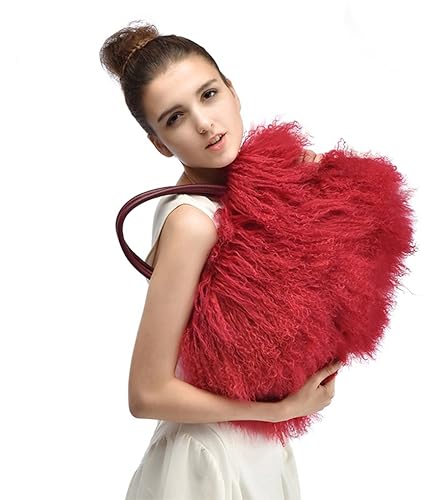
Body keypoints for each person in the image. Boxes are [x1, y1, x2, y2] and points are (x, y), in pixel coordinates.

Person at [100, 20, 342, 500]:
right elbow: (146, 392)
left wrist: (306, 193)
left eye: (208, 95)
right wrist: (278, 411)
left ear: (232, 90)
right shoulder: (191, 222)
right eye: (175, 118)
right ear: (159, 143)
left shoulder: (241, 192)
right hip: (208, 460)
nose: (205, 124)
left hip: (255, 450)